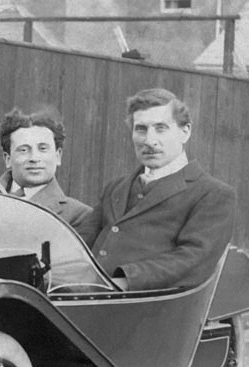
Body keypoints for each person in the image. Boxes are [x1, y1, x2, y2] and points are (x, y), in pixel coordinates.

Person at [76, 88, 236, 291]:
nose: (149, 141)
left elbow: (193, 259)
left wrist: (123, 282)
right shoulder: (115, 188)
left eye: (161, 128)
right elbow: (80, 242)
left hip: (147, 302)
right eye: (141, 129)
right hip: (86, 294)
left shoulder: (212, 194)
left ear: (185, 132)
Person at [0, 107, 91, 228]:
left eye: (43, 149)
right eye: (23, 150)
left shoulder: (80, 216)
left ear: (58, 156)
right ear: (8, 159)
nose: (34, 158)